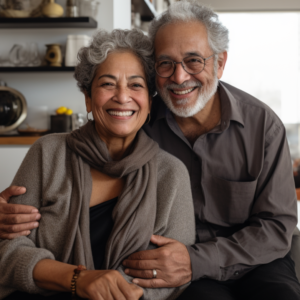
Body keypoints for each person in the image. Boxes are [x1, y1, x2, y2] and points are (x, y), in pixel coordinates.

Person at [1, 1, 300, 299]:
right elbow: (10, 244)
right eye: (166, 63)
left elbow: (276, 225)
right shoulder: (116, 127)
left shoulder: (261, 126)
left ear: (220, 63)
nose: (180, 77)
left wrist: (195, 262)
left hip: (252, 259)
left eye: (194, 60)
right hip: (181, 271)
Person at [0, 29, 196, 300]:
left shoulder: (171, 174)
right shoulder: (47, 153)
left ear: (150, 103)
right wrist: (78, 280)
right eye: (107, 84)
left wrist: (114, 292)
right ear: (88, 99)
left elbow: (172, 276)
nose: (122, 96)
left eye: (136, 85)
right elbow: (9, 249)